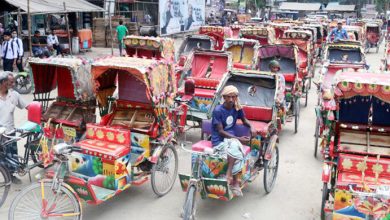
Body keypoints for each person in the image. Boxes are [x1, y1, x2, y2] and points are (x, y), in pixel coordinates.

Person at [211, 85, 255, 196]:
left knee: (235, 145)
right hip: (219, 141)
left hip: (231, 140)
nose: (231, 100)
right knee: (236, 145)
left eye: (234, 97)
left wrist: (252, 127)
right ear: (224, 97)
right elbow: (220, 131)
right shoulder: (218, 110)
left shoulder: (237, 108)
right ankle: (233, 180)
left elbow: (244, 120)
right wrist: (239, 139)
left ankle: (230, 178)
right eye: (228, 97)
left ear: (236, 97)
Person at [0, 71, 28, 184]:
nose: (10, 84)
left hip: (10, 132)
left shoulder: (14, 95)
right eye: (7, 82)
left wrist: (39, 111)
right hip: (0, 133)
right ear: (2, 83)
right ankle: (5, 175)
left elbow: (27, 106)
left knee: (11, 155)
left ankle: (11, 175)